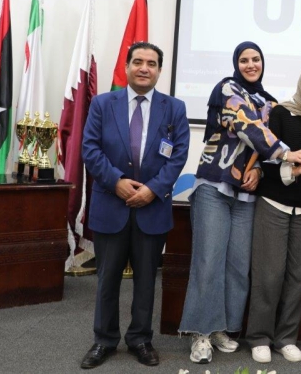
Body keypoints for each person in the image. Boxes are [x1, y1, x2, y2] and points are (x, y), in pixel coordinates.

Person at [178, 41, 301, 365]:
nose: (251, 64)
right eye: (244, 60)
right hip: (214, 185)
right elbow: (246, 127)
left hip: (247, 195)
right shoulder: (228, 89)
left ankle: (222, 328)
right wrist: (287, 153)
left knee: (238, 266)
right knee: (209, 261)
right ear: (236, 63)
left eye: (256, 59)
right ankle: (200, 333)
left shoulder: (270, 103)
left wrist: (261, 170)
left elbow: (263, 151)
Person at [80, 42, 190, 369]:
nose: (144, 68)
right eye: (138, 62)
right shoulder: (103, 104)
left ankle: (140, 339)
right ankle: (104, 340)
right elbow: (90, 149)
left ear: (159, 70)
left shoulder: (175, 108)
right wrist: (116, 181)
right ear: (127, 66)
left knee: (145, 281)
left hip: (152, 208)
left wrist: (153, 190)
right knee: (107, 279)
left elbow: (179, 154)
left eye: (151, 63)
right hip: (110, 204)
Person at [246, 65, 301, 364]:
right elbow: (266, 159)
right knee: (268, 275)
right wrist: (293, 171)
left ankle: (286, 338)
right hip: (275, 204)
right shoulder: (280, 113)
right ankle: (259, 337)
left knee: (298, 277)